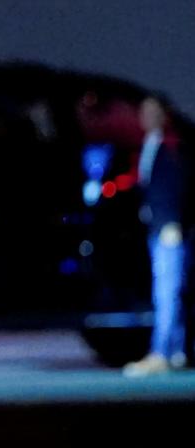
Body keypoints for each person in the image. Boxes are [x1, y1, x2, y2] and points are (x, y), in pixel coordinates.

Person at [123, 95, 192, 377]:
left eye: (154, 112)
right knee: (169, 291)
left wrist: (172, 223)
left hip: (168, 230)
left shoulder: (172, 147)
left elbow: (175, 186)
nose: (147, 117)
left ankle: (162, 352)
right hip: (157, 229)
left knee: (167, 292)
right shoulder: (148, 146)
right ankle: (176, 350)